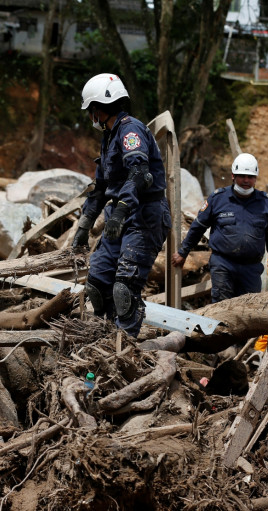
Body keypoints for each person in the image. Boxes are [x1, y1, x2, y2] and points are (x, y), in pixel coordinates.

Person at [72, 73, 171, 338]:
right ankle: (104, 335)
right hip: (122, 214)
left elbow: (139, 174)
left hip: (145, 215)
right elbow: (101, 187)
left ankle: (122, 346)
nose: (90, 117)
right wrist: (84, 224)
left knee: (124, 288)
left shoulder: (130, 130)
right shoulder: (109, 137)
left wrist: (120, 211)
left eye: (90, 111)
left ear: (97, 109)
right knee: (98, 282)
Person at [171, 153, 268, 302]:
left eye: (250, 177)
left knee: (248, 310)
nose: (246, 180)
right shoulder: (218, 199)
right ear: (233, 176)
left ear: (256, 178)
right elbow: (198, 227)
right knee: (222, 307)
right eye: (242, 176)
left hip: (251, 268)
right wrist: (183, 252)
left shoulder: (265, 202)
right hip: (223, 265)